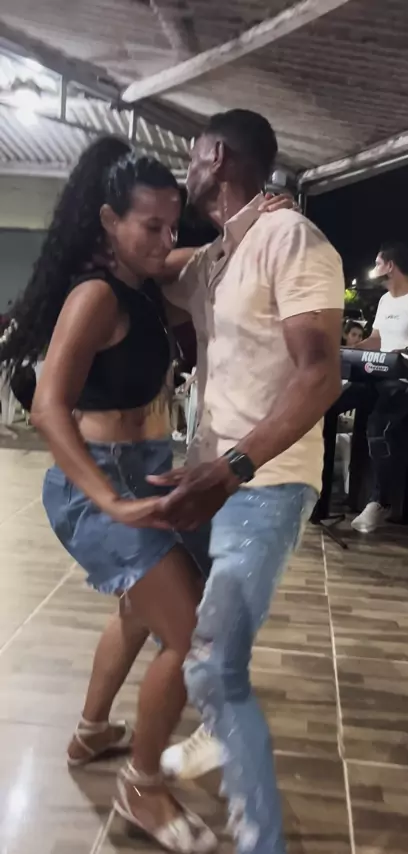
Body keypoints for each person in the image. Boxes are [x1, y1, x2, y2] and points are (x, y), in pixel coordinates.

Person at [1, 137, 221, 853]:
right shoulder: (95, 296)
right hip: (96, 481)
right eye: (150, 226)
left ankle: (91, 732)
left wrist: (248, 225)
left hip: (145, 468)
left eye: (171, 226)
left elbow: (202, 256)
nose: (164, 240)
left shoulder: (144, 284)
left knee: (136, 612)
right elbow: (47, 409)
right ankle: (143, 789)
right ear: (107, 220)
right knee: (193, 636)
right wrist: (112, 502)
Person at [146, 109, 344, 854]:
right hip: (212, 478)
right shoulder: (221, 256)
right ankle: (208, 727)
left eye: (193, 156)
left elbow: (320, 375)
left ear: (218, 155)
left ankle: (264, 841)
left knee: (213, 666)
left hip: (262, 485)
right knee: (178, 628)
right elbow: (152, 264)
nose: (186, 169)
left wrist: (233, 467)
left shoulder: (292, 239)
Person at [336, 242, 408, 533]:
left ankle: (380, 501)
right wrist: (349, 351)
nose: (374, 269)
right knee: (329, 402)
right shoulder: (385, 302)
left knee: (378, 424)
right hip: (378, 377)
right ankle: (319, 493)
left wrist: (404, 354)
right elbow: (376, 340)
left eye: (377, 263)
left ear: (390, 266)